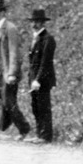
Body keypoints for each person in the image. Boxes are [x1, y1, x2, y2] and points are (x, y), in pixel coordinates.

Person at [0, 0, 31, 140]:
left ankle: (24, 128)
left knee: (8, 102)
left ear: (3, 12)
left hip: (6, 72)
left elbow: (13, 52)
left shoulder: (10, 28)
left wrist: (11, 73)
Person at [26, 8, 56, 144]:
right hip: (33, 79)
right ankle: (39, 134)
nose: (34, 24)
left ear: (43, 23)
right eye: (32, 22)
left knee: (44, 107)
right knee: (35, 107)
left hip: (42, 80)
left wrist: (37, 80)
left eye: (37, 22)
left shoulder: (48, 39)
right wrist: (31, 79)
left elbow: (45, 63)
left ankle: (46, 136)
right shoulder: (35, 38)